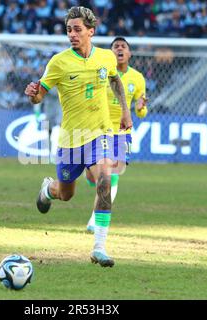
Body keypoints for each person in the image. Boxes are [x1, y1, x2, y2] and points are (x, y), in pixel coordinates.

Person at [25, 6, 132, 267]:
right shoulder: (59, 62)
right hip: (71, 139)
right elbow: (41, 93)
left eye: (77, 29)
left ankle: (99, 247)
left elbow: (115, 81)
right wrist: (33, 94)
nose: (72, 34)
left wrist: (126, 112)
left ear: (91, 31)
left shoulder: (106, 58)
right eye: (69, 30)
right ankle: (48, 190)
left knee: (106, 178)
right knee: (66, 194)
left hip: (101, 132)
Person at [85, 37, 148, 233]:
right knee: (94, 176)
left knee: (113, 175)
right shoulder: (102, 72)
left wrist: (140, 108)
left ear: (129, 54)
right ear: (110, 52)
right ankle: (93, 179)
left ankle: (95, 220)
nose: (119, 49)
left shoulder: (137, 78)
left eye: (123, 47)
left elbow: (141, 111)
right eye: (115, 46)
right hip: (99, 128)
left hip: (122, 132)